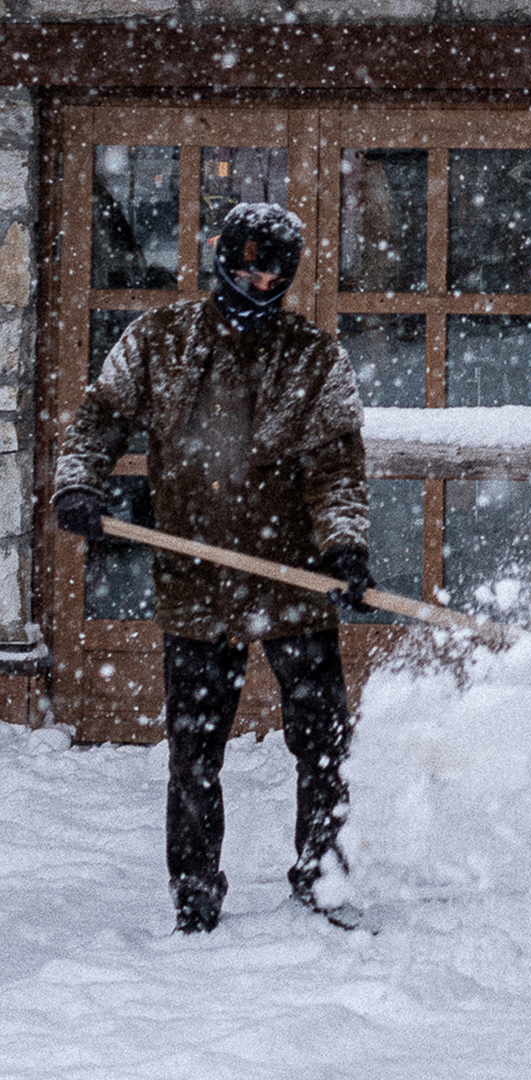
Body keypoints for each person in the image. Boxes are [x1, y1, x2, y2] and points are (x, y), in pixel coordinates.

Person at [53, 203, 376, 934]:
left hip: (293, 581)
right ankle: (195, 893)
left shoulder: (314, 356)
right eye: (247, 258)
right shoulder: (160, 340)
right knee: (195, 750)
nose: (258, 277)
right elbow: (100, 416)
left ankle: (322, 879)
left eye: (275, 267)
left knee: (323, 742)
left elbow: (336, 469)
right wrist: (80, 483)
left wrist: (344, 546)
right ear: (222, 255)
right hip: (196, 579)